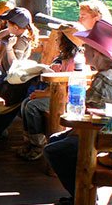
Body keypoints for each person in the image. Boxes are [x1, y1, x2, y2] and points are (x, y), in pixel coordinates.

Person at [44, 20, 112, 205]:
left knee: (56, 150)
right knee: (57, 141)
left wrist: (76, 133)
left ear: (96, 53)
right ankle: (81, 196)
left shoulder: (105, 81)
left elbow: (102, 122)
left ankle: (83, 199)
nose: (83, 51)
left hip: (109, 138)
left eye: (85, 47)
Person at [17, 23, 87, 161]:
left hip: (66, 99)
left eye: (59, 38)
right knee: (26, 102)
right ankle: (30, 141)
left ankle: (38, 144)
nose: (56, 41)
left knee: (32, 106)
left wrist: (44, 94)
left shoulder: (76, 61)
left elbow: (66, 87)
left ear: (67, 41)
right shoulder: (64, 58)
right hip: (55, 93)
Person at [0, 7, 39, 140]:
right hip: (6, 77)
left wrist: (9, 48)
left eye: (9, 23)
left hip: (14, 81)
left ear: (16, 26)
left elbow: (15, 63)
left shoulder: (22, 40)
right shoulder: (15, 34)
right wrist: (10, 29)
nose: (6, 25)